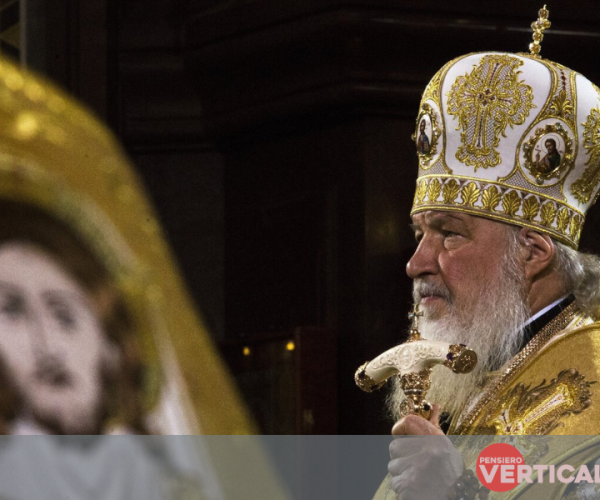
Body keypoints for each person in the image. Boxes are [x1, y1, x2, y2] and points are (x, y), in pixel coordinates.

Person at [374, 6, 600, 500]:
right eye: (420, 233)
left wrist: (454, 491)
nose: (416, 264)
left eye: (449, 234)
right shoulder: (471, 380)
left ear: (532, 253)